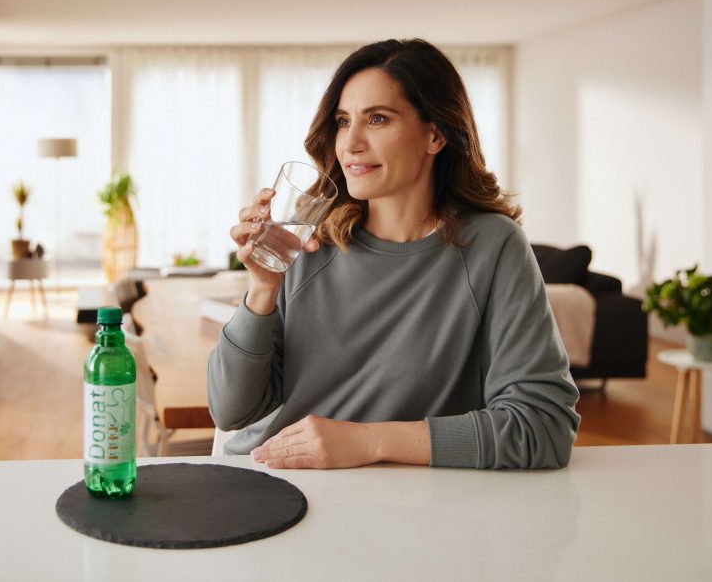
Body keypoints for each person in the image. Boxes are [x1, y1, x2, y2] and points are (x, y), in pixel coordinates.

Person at [208, 39, 580, 470]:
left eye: (378, 119)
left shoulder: (492, 247)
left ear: (436, 134)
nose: (351, 143)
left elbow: (543, 426)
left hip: (410, 504)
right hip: (276, 480)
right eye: (344, 121)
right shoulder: (307, 241)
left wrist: (369, 442)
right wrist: (261, 290)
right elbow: (231, 411)